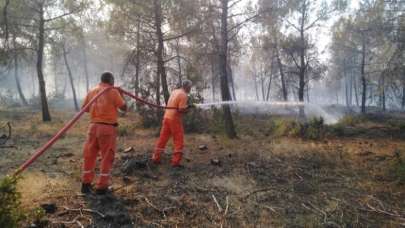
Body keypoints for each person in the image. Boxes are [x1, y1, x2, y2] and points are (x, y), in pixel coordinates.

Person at [81, 72, 127, 194]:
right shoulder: (113, 91)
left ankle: (85, 185)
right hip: (107, 129)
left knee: (89, 156)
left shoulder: (92, 91)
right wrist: (121, 94)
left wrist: (97, 110)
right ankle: (102, 187)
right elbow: (124, 108)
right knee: (107, 157)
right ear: (111, 80)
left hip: (92, 128)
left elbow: (85, 109)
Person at [152, 80, 193, 168]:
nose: (190, 89)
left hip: (166, 117)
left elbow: (175, 104)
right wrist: (189, 108)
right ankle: (175, 162)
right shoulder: (184, 95)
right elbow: (181, 109)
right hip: (174, 119)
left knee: (162, 139)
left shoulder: (175, 91)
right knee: (178, 140)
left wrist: (187, 106)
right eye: (190, 87)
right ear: (187, 87)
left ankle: (156, 158)